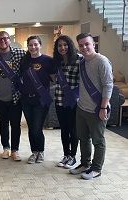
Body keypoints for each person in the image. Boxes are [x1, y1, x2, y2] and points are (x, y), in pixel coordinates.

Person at [69, 33, 113, 180]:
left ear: (93, 44)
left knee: (98, 141)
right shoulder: (82, 62)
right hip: (81, 107)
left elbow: (108, 85)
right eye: (81, 45)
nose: (84, 47)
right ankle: (85, 164)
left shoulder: (102, 61)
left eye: (87, 44)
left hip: (97, 109)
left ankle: (96, 168)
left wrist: (103, 107)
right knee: (83, 138)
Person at [0, 31, 25, 161]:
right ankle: (6, 148)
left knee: (15, 125)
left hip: (15, 97)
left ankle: (15, 150)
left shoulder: (20, 53)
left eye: (5, 38)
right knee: (3, 123)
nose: (3, 41)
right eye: (0, 39)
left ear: (9, 40)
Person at [20, 35, 55, 164]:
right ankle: (34, 152)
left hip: (41, 100)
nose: (33, 47)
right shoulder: (24, 61)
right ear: (27, 47)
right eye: (30, 45)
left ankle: (40, 151)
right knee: (31, 127)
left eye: (35, 44)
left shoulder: (48, 60)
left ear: (40, 45)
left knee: (37, 127)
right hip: (26, 100)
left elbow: (54, 78)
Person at [53, 35, 82, 169]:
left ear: (70, 45)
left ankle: (73, 156)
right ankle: (66, 155)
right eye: (59, 45)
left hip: (73, 101)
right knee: (64, 129)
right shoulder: (57, 62)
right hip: (59, 99)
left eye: (65, 45)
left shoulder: (79, 60)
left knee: (73, 129)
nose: (62, 47)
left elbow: (84, 81)